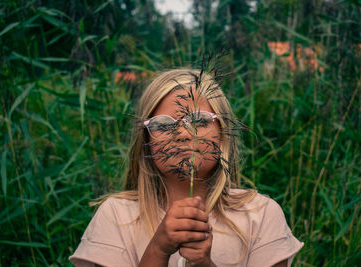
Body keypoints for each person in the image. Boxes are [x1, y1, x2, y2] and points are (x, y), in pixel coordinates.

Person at [70, 69, 303, 267]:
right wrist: (158, 250)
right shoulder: (116, 215)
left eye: (199, 121)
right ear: (146, 140)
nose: (182, 133)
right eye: (162, 125)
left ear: (222, 131)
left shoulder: (260, 215)